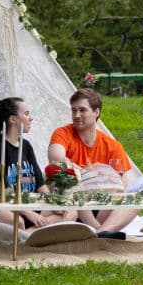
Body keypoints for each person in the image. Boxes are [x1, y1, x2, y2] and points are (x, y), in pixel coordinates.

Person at [48, 88, 136, 235]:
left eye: (82, 110)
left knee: (133, 200)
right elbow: (55, 158)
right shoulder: (63, 133)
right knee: (68, 182)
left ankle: (100, 232)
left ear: (96, 112)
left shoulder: (113, 146)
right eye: (74, 110)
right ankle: (100, 231)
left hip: (100, 207)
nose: (77, 115)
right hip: (71, 206)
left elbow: (121, 183)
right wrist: (89, 174)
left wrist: (98, 184)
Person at [0, 97, 75, 231]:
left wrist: (53, 203)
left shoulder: (26, 146)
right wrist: (29, 213)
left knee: (70, 213)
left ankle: (28, 234)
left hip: (29, 204)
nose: (31, 118)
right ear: (13, 119)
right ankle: (32, 234)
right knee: (18, 222)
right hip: (4, 206)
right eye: (26, 114)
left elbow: (40, 184)